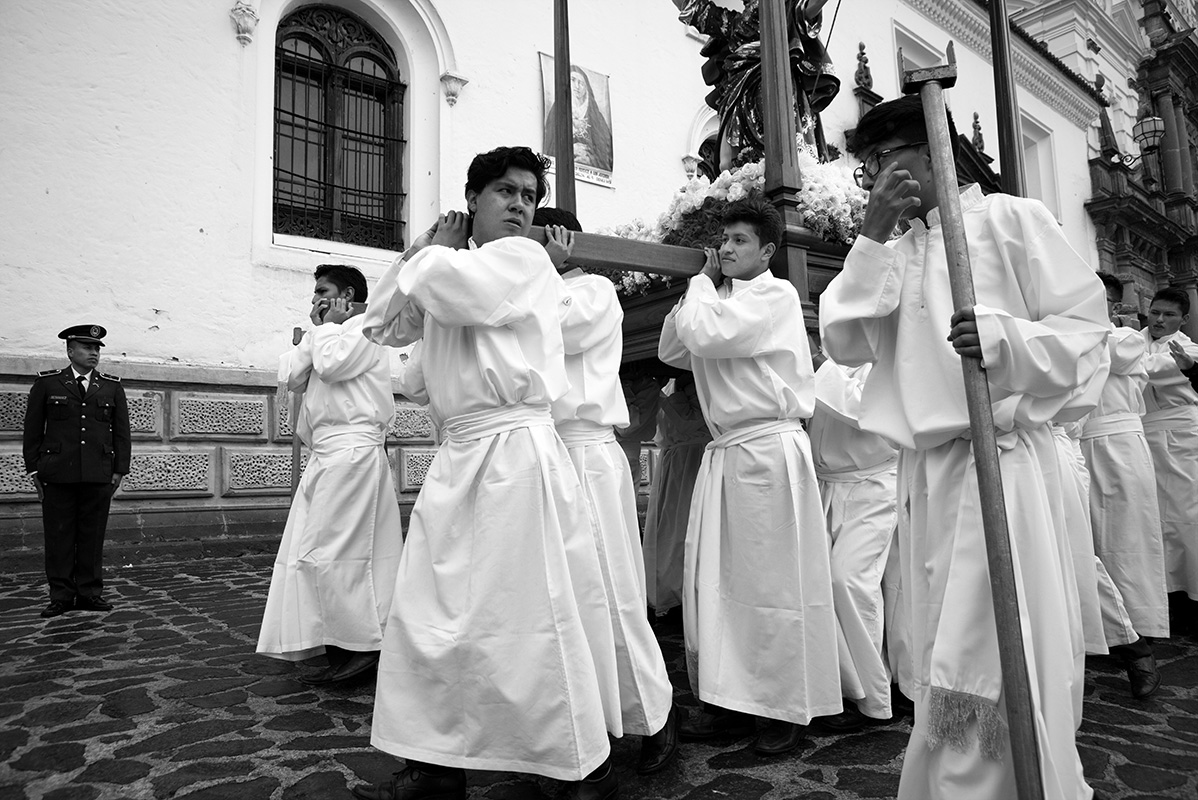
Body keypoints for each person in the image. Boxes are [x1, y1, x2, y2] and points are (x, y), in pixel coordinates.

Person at [820, 95, 1109, 799]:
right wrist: (871, 233)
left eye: (887, 159)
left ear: (932, 150)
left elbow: (1086, 333)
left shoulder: (1011, 221)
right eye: (869, 168)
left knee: (987, 649)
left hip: (1002, 464)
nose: (880, 177)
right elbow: (845, 340)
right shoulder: (888, 254)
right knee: (939, 646)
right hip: (930, 474)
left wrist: (1007, 341)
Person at [354, 146, 615, 800]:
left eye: (529, 194)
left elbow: (459, 291)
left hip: (516, 457)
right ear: (473, 199)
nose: (521, 205)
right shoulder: (448, 266)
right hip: (461, 456)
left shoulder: (524, 260)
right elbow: (383, 327)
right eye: (506, 191)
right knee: (431, 616)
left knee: (527, 617)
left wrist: (434, 256)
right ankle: (435, 766)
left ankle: (574, 765)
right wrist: (418, 250)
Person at [660, 196, 840, 756]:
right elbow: (673, 348)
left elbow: (708, 336)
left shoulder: (773, 295)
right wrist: (703, 289)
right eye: (724, 240)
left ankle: (782, 708)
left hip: (766, 451)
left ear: (768, 249)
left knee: (771, 586)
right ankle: (732, 699)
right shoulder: (720, 301)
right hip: (730, 455)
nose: (727, 249)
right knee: (719, 585)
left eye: (741, 241)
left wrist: (700, 282)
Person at [534, 205, 678, 776]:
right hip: (541, 451)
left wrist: (544, 269)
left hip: (587, 452)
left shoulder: (593, 291)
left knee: (610, 587)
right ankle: (574, 719)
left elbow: (555, 330)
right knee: (558, 596)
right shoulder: (522, 290)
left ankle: (656, 715)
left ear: (562, 241)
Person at [256, 265, 403, 685]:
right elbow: (293, 376)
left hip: (352, 452)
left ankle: (363, 644)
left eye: (322, 291)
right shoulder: (330, 331)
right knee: (316, 550)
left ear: (348, 295)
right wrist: (323, 329)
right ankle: (335, 635)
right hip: (327, 454)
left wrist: (329, 329)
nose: (314, 300)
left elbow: (334, 365)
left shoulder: (366, 329)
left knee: (342, 551)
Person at [1079, 273, 1167, 697]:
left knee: (1125, 546)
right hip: (1077, 446)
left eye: (1107, 300)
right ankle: (1110, 635)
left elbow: (1103, 349)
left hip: (1118, 447)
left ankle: (1138, 642)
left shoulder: (1124, 339)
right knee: (1086, 546)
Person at [807, 341, 898, 732]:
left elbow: (866, 411)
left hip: (872, 485)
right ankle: (842, 688)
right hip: (827, 485)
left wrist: (819, 367)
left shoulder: (885, 360)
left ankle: (872, 699)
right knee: (821, 588)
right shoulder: (833, 362)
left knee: (848, 580)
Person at [24, 325, 130, 619]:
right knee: (58, 536)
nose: (93, 353)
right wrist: (34, 470)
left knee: (92, 536)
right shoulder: (48, 384)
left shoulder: (111, 386)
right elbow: (32, 430)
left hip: (98, 473)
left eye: (96, 348)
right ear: (70, 351)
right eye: (86, 348)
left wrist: (120, 469)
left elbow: (122, 434)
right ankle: (60, 595)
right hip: (57, 473)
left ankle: (89, 592)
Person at [1141, 287, 1198, 620]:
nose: (1159, 320)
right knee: (1156, 519)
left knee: (1187, 516)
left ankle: (1192, 597)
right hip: (1148, 435)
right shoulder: (1137, 340)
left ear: (1184, 319)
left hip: (1183, 436)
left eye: (1169, 315)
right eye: (1155, 312)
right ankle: (1168, 594)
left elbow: (1145, 367)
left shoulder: (1188, 349)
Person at [643, 374, 710, 619]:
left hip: (695, 459)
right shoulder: (670, 387)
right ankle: (675, 587)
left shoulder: (698, 385)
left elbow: (688, 422)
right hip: (681, 461)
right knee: (675, 524)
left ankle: (693, 587)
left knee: (689, 523)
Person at [544, 65, 614, 172]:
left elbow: (606, 156)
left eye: (581, 83)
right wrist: (569, 151)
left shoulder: (597, 118)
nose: (577, 86)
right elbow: (549, 147)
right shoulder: (556, 113)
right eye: (573, 80)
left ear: (587, 89)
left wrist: (590, 159)